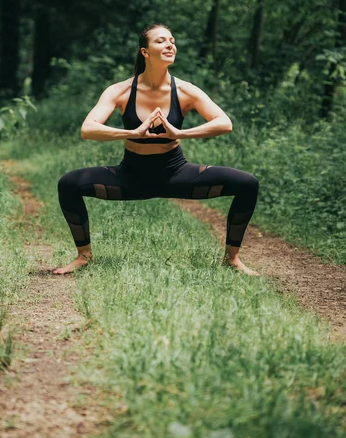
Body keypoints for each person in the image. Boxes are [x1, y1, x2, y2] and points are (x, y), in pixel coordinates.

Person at [54, 24, 260, 276]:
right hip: (130, 177)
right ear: (145, 51)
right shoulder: (119, 91)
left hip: (176, 175)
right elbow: (88, 129)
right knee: (68, 183)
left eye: (172, 41)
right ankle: (84, 256)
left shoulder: (185, 90)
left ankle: (232, 259)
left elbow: (224, 123)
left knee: (247, 183)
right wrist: (132, 133)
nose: (170, 45)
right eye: (161, 41)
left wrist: (180, 133)